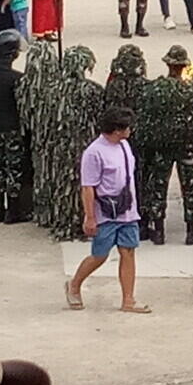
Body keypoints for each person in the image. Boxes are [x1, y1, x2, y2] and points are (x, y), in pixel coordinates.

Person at [65, 106, 150, 313]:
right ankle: (74, 284)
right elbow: (88, 187)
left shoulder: (124, 146)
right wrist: (90, 217)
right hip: (106, 212)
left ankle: (128, 299)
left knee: (128, 251)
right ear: (117, 129)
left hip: (127, 209)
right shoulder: (94, 153)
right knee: (100, 255)